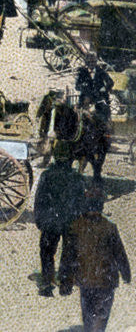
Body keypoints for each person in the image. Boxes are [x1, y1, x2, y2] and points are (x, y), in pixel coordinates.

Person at [60, 186, 131, 331]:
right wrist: (126, 274)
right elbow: (120, 253)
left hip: (85, 279)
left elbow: (67, 256)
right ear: (102, 206)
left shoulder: (74, 227)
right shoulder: (109, 227)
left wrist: (65, 280)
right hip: (106, 279)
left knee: (88, 314)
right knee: (101, 314)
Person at [34, 142, 87, 297]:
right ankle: (65, 286)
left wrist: (40, 221)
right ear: (71, 159)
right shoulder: (77, 178)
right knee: (69, 254)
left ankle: (46, 284)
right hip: (70, 222)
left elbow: (39, 200)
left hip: (50, 222)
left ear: (55, 158)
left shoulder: (46, 175)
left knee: (47, 253)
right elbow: (82, 203)